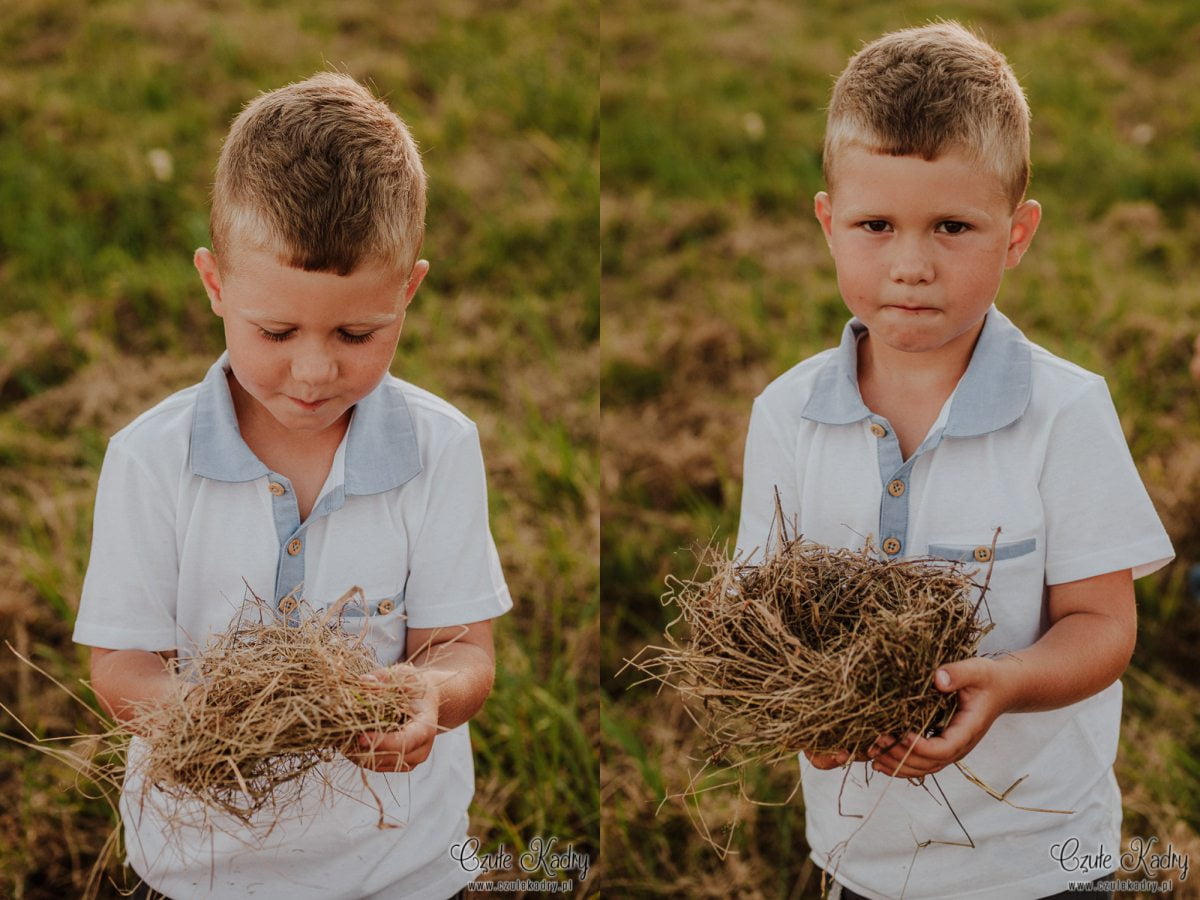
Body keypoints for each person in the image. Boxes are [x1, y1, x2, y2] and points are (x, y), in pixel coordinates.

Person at [735, 23, 1173, 900]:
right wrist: (801, 712)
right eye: (875, 224)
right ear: (828, 223)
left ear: (1017, 234)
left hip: (1043, 856)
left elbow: (1102, 626)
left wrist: (1005, 684)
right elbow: (763, 621)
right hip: (863, 857)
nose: (911, 265)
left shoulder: (1066, 413)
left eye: (952, 227)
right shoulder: (787, 415)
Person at [72, 72, 512, 900]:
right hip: (199, 863)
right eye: (275, 331)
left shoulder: (441, 448)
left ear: (408, 291)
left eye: (357, 332)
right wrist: (220, 726)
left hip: (402, 864)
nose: (314, 372)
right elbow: (123, 663)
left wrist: (434, 696)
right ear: (215, 286)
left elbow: (463, 651)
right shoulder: (148, 459)